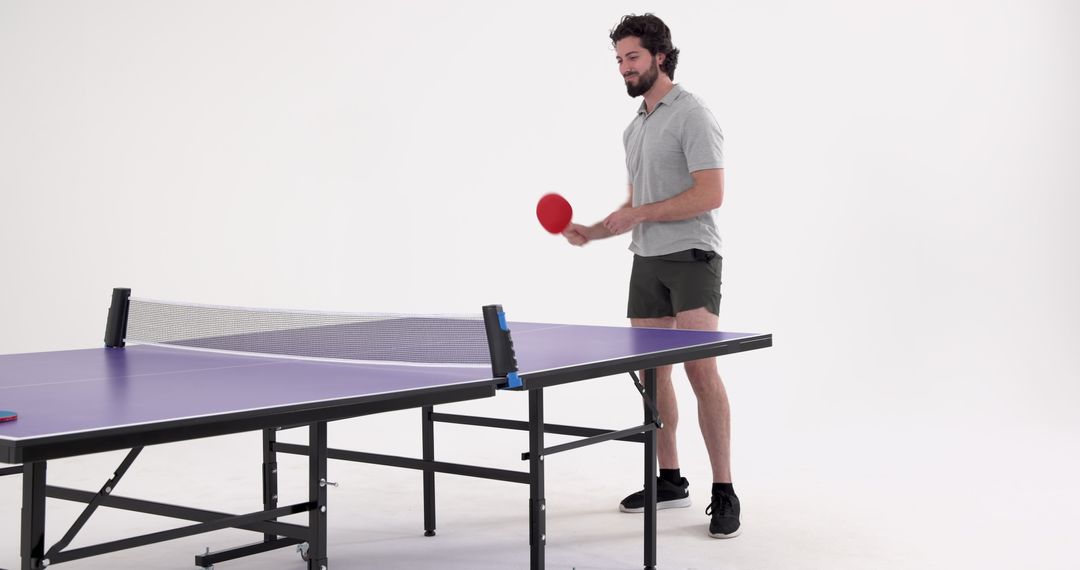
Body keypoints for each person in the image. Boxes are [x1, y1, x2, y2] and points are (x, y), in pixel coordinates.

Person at [562, 13, 739, 538]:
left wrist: (639, 214)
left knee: (699, 371)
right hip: (647, 260)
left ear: (660, 55)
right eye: (618, 60)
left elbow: (711, 194)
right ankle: (670, 479)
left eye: (632, 57)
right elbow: (640, 199)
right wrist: (596, 230)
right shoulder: (635, 125)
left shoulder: (694, 115)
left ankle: (724, 490)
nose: (624, 68)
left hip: (692, 257)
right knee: (653, 376)